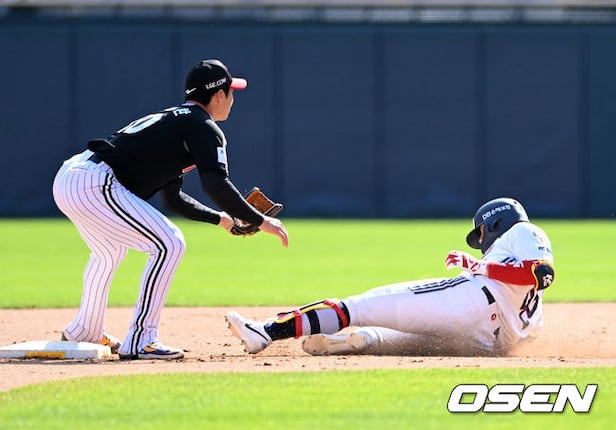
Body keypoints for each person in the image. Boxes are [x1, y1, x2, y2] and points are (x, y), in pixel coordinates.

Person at [53, 59, 288, 360]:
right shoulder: (203, 126)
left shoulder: (177, 122)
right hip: (95, 183)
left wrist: (223, 220)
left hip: (73, 176)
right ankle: (141, 339)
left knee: (109, 251)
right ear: (219, 95)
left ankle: (84, 330)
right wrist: (260, 220)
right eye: (231, 91)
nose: (233, 98)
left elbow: (173, 199)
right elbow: (215, 183)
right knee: (169, 243)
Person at [226, 197, 554, 357]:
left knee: (358, 306)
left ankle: (267, 331)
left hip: (477, 301)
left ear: (495, 224)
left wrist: (480, 268)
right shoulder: (520, 279)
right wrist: (480, 266)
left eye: (481, 233)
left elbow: (541, 274)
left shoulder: (523, 230)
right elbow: (528, 296)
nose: (481, 242)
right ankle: (367, 340)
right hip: (494, 341)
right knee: (419, 341)